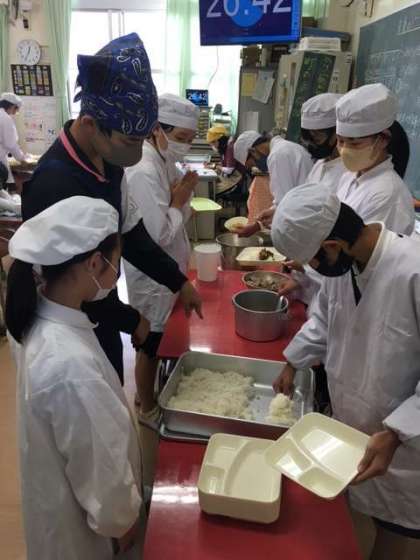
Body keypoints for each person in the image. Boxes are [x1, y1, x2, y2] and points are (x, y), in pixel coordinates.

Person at [22, 33, 202, 384]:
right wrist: (132, 320)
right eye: (130, 140)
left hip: (101, 309)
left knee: (111, 384)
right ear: (90, 123)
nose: (136, 152)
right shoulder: (53, 184)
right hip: (68, 327)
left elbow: (132, 235)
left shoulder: (110, 161)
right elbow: (70, 284)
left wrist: (178, 281)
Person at [271, 183, 420, 560]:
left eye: (313, 261)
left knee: (394, 529)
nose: (313, 270)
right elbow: (324, 320)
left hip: (402, 444)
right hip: (352, 427)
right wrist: (293, 361)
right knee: (356, 519)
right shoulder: (345, 269)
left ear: (333, 245)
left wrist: (398, 432)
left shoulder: (412, 272)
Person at [6, 196, 144, 560]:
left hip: (59, 500)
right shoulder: (71, 367)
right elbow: (106, 483)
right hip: (83, 538)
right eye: (115, 262)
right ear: (95, 263)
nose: (116, 273)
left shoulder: (39, 313)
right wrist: (123, 522)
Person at [124, 93, 200, 417]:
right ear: (157, 128)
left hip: (168, 271)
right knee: (150, 343)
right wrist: (179, 199)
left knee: (160, 336)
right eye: (181, 137)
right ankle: (147, 407)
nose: (185, 145)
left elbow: (175, 212)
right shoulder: (143, 169)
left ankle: (148, 393)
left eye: (191, 139)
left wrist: (179, 198)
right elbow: (160, 235)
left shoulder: (163, 159)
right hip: (152, 277)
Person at [335, 83, 414, 235]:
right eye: (340, 141)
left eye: (354, 143)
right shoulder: (349, 177)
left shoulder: (388, 194)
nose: (344, 149)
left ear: (383, 140)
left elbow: (361, 245)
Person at [232, 129, 312, 236]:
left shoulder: (277, 155)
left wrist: (257, 226)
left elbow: (283, 204)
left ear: (253, 151)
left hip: (303, 219)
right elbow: (284, 201)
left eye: (253, 164)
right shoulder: (287, 147)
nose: (257, 166)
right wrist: (259, 225)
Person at [301, 92, 346, 192]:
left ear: (337, 133)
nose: (313, 143)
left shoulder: (347, 170)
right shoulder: (319, 164)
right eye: (311, 137)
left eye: (318, 138)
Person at [0, 92, 27, 188]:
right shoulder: (5, 118)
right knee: (6, 187)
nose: (16, 112)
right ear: (11, 106)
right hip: (1, 159)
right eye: (16, 108)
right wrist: (22, 159)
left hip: (2, 158)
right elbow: (10, 144)